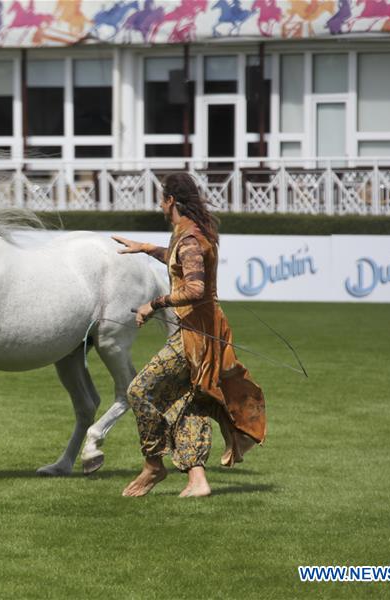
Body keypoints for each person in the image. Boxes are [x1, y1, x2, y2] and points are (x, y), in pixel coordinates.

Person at [113, 172, 266, 498]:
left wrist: (152, 304)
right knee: (191, 400)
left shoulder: (189, 239)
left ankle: (153, 465)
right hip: (207, 332)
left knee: (139, 391)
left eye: (161, 197)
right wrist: (145, 248)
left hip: (195, 337)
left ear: (171, 200)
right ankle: (198, 481)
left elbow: (194, 287)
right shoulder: (191, 234)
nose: (158, 203)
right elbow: (181, 263)